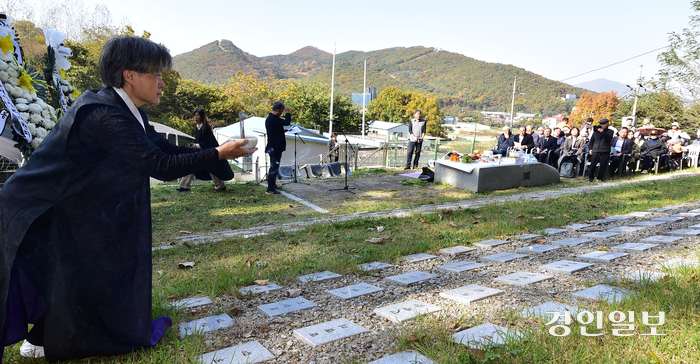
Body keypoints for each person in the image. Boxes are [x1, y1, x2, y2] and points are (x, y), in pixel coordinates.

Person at [0, 36, 256, 361]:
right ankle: (46, 339)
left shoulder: (128, 111)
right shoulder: (103, 114)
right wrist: (219, 152)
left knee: (81, 272)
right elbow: (160, 166)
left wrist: (213, 151)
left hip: (70, 206)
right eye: (156, 75)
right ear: (129, 75)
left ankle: (50, 337)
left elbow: (163, 150)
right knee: (61, 272)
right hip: (38, 208)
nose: (163, 83)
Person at [177, 108, 232, 192]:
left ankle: (220, 186)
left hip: (210, 152)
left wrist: (198, 145)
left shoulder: (205, 127)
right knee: (191, 165)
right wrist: (194, 145)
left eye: (197, 115)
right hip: (201, 152)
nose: (195, 117)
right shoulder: (197, 127)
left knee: (212, 169)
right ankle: (184, 186)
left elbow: (209, 141)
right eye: (194, 115)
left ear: (202, 116)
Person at [265, 101, 292, 194]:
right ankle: (270, 189)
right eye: (281, 111)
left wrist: (281, 130)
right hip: (275, 147)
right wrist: (288, 112)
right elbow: (287, 122)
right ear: (277, 110)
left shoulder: (270, 118)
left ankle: (273, 185)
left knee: (275, 166)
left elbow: (274, 131)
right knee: (274, 167)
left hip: (273, 146)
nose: (282, 114)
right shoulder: (274, 118)